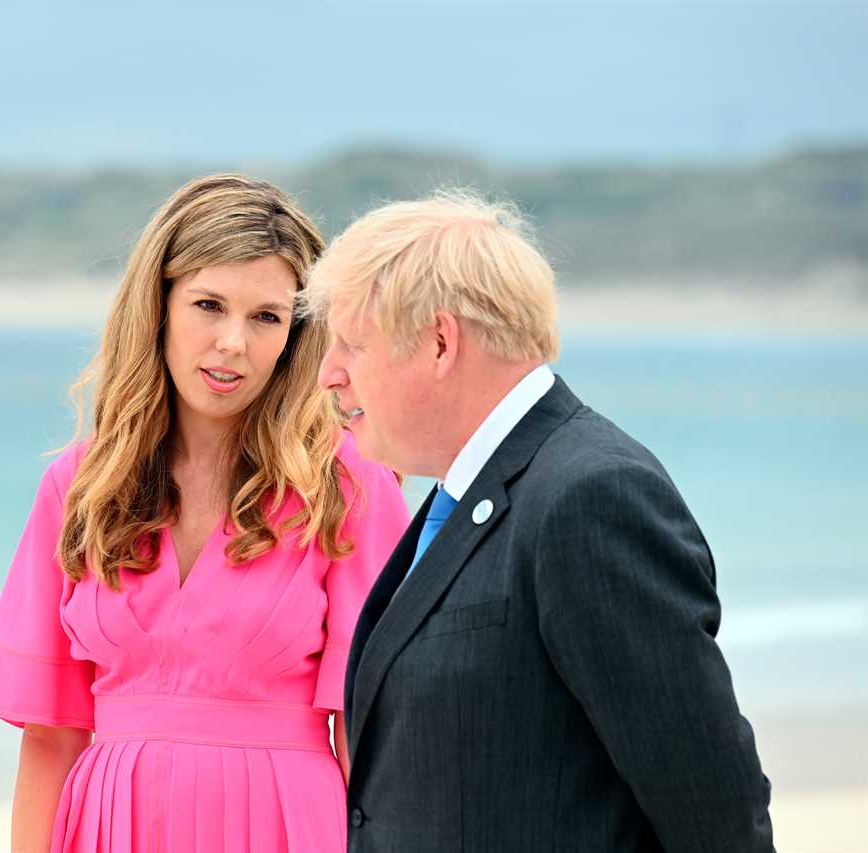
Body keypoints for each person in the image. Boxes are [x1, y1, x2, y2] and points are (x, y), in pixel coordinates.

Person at [300, 190, 774, 852]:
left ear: (440, 342)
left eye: (351, 345)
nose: (329, 375)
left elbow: (714, 808)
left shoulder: (590, 497)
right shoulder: (457, 496)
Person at [0, 174, 411, 852]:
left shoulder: (350, 487)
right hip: (109, 827)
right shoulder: (80, 486)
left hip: (286, 827)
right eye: (208, 304)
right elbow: (50, 735)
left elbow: (372, 734)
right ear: (159, 306)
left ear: (296, 335)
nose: (233, 341)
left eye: (266, 317)